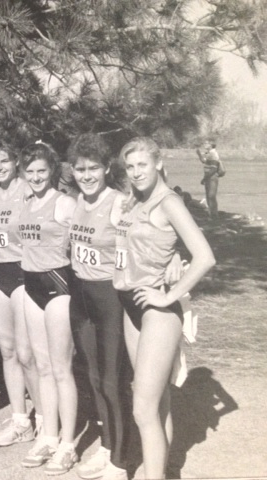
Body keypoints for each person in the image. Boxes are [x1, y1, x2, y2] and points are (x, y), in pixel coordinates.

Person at [115, 137, 215, 479]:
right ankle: (166, 468)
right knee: (156, 402)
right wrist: (172, 253)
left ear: (158, 163)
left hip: (157, 310)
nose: (136, 172)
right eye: (130, 167)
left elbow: (205, 257)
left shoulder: (169, 202)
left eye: (142, 164)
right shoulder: (134, 200)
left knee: (142, 410)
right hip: (131, 306)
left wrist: (168, 296)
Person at [66, 133, 130, 480]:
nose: (87, 175)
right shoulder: (77, 200)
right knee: (92, 377)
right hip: (81, 297)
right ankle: (107, 449)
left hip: (109, 297)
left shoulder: (117, 202)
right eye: (80, 169)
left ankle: (119, 463)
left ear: (106, 168)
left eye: (93, 168)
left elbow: (140, 240)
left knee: (112, 381)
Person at [17, 142, 79, 475]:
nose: (37, 176)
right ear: (24, 173)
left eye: (42, 170)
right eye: (31, 171)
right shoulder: (26, 202)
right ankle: (49, 436)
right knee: (41, 366)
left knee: (60, 368)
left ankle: (68, 445)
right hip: (31, 286)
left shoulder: (65, 203)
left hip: (59, 287)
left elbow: (96, 230)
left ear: (52, 171)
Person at [0, 140, 41, 447]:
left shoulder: (27, 189)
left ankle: (44, 419)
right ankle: (21, 420)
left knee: (27, 353)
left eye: (5, 161)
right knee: (6, 350)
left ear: (16, 161)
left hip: (21, 274)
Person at [196, 140, 225, 220]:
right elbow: (204, 161)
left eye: (206, 143)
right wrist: (199, 154)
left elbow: (213, 168)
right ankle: (211, 214)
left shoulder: (213, 154)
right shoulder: (208, 153)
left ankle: (214, 215)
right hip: (208, 177)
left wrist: (204, 178)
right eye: (204, 143)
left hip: (212, 177)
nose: (204, 144)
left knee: (211, 196)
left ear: (211, 145)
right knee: (208, 196)